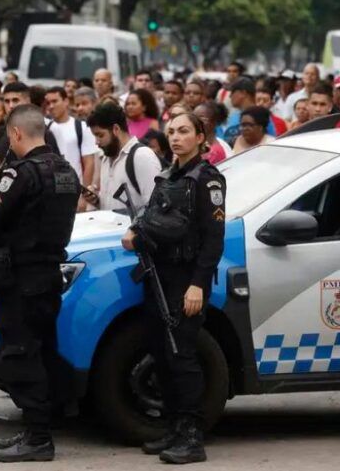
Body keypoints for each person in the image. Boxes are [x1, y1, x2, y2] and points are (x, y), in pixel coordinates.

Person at [0, 104, 80, 463]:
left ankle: (38, 437)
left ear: (16, 134)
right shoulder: (66, 170)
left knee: (21, 355)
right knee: (43, 352)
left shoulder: (20, 174)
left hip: (20, 277)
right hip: (48, 275)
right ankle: (43, 426)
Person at [123, 112, 225, 464]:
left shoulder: (207, 179)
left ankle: (193, 437)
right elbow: (151, 214)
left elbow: (213, 241)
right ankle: (174, 428)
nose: (176, 137)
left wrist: (197, 285)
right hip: (158, 275)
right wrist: (137, 231)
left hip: (185, 278)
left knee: (182, 355)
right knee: (161, 352)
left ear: (200, 136)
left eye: (184, 131)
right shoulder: (168, 175)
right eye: (171, 132)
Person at [84, 103, 162, 212]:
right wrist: (96, 201)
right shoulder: (106, 159)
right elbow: (110, 206)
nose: (96, 142)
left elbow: (155, 207)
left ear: (116, 129)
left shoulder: (142, 156)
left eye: (100, 135)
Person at [44, 87, 98, 207]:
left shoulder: (81, 127)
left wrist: (84, 197)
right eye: (48, 103)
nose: (51, 106)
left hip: (75, 190)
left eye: (55, 101)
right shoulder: (44, 128)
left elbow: (89, 163)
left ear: (66, 101)